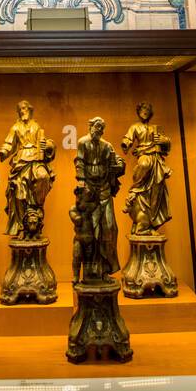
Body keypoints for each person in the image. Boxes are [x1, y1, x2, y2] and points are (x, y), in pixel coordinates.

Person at [73, 117, 125, 282]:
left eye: (102, 128)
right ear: (90, 127)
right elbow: (79, 161)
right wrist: (81, 180)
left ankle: (106, 269)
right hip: (89, 194)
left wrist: (119, 166)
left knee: (109, 229)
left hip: (104, 191)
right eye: (97, 126)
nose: (100, 130)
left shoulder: (107, 145)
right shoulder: (82, 142)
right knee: (92, 232)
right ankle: (92, 273)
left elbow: (118, 161)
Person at [0, 100, 56, 239]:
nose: (21, 111)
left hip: (36, 161)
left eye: (24, 108)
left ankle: (37, 208)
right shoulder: (16, 127)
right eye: (19, 110)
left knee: (43, 177)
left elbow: (46, 144)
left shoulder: (37, 127)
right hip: (21, 160)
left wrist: (47, 146)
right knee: (18, 191)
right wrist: (4, 152)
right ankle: (21, 226)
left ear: (30, 110)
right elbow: (9, 143)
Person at [121, 102, 171, 235]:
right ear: (138, 111)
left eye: (148, 109)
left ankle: (151, 224)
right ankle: (136, 187)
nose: (145, 111)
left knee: (157, 191)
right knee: (143, 165)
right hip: (144, 155)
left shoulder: (156, 128)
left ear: (150, 112)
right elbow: (127, 138)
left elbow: (167, 144)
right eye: (143, 109)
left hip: (157, 160)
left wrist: (163, 141)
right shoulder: (135, 127)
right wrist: (126, 143)